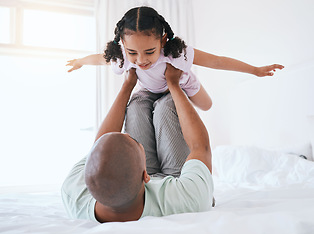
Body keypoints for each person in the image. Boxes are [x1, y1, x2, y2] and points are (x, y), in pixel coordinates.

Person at [61, 64, 214, 222]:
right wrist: (174, 84)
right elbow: (200, 147)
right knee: (167, 105)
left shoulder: (72, 190)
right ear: (145, 176)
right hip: (177, 180)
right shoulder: (189, 198)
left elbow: (101, 145)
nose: (130, 134)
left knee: (136, 105)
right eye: (135, 142)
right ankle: (168, 98)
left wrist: (127, 85)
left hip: (134, 189)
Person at [66, 6, 284, 111]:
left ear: (162, 41)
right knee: (148, 110)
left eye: (149, 52)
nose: (141, 60)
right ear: (123, 45)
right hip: (150, 90)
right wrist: (79, 62)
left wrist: (255, 70)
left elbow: (217, 61)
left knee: (207, 106)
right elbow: (99, 59)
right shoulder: (124, 56)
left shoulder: (175, 52)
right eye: (133, 52)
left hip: (182, 84)